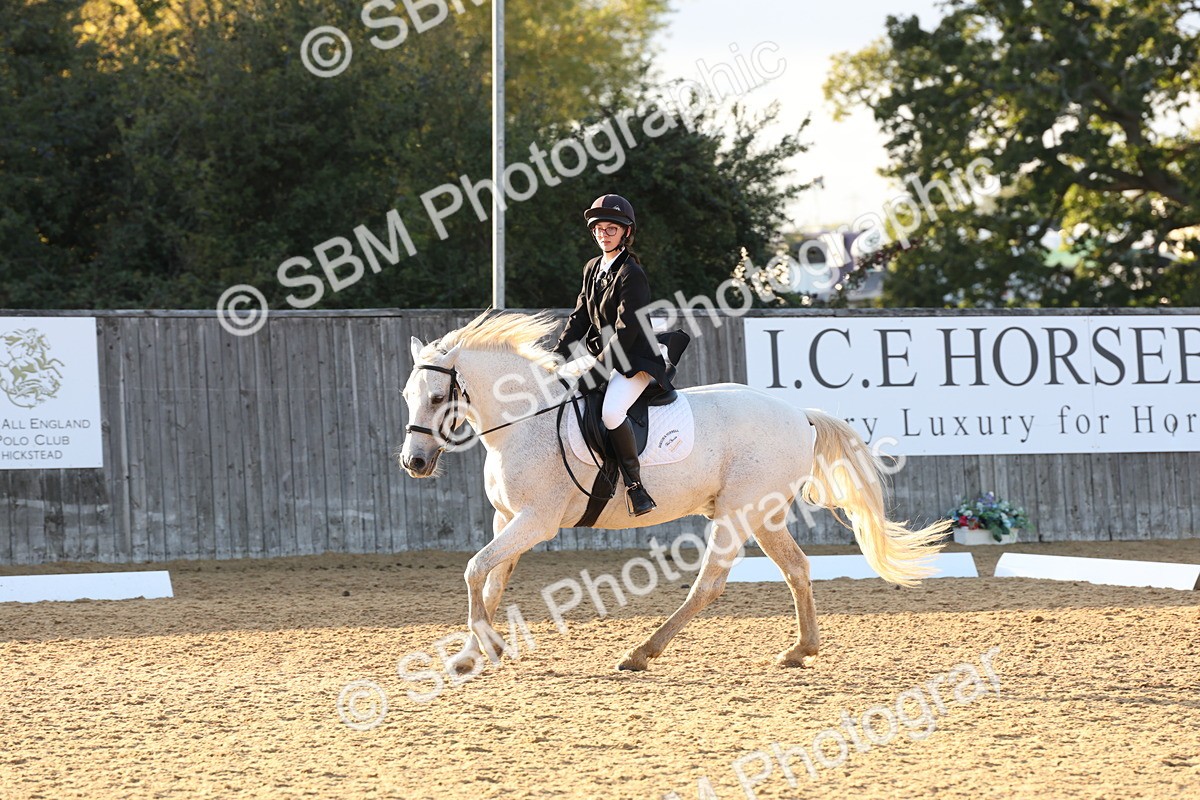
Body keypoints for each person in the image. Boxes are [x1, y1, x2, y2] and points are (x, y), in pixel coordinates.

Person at [553, 194, 670, 517]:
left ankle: (635, 486)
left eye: (611, 229)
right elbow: (579, 318)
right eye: (598, 229)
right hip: (602, 355)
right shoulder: (592, 268)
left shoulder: (632, 273)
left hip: (634, 361)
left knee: (611, 412)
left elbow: (625, 330)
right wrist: (556, 357)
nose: (603, 234)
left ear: (625, 232)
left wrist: (596, 373)